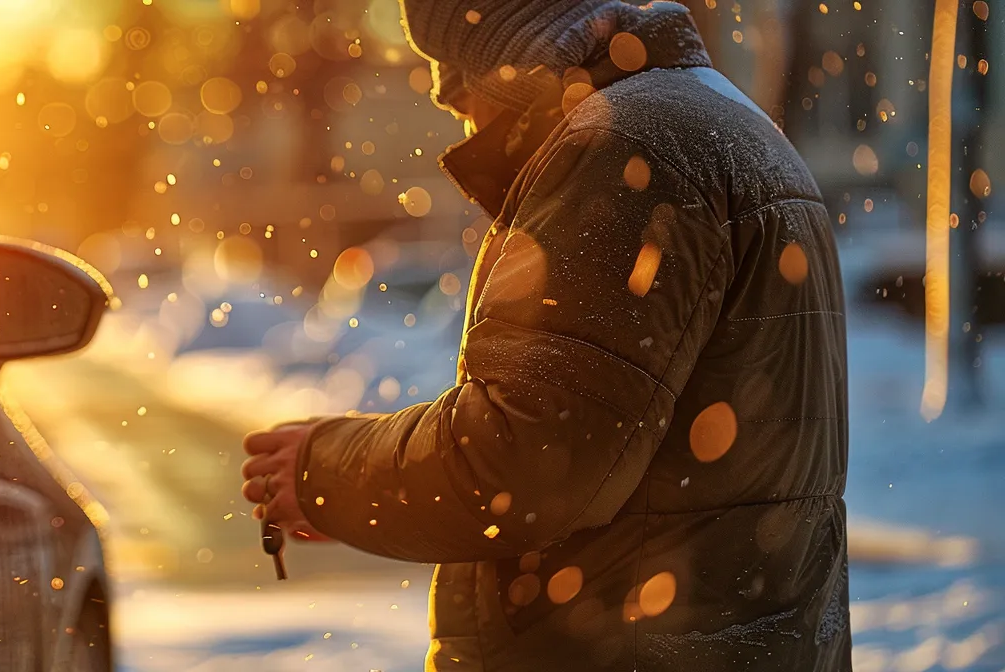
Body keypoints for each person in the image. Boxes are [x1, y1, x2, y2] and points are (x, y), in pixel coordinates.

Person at [239, 1, 850, 669]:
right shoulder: (722, 122)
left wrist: (329, 471)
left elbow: (528, 459)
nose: (458, 116)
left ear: (503, 60)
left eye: (456, 82)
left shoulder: (628, 146)